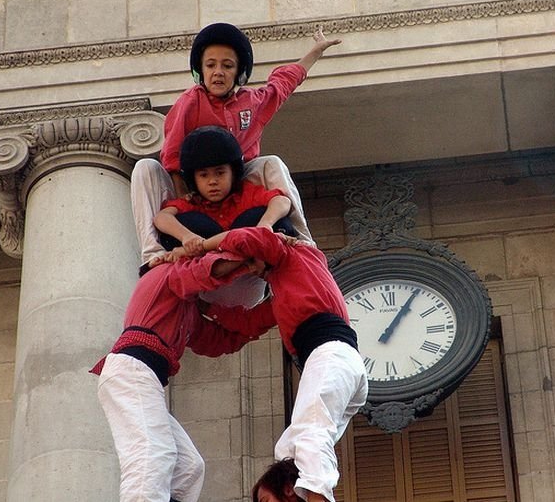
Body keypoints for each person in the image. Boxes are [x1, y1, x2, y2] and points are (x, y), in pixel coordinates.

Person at [132, 22, 341, 274]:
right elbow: (173, 156)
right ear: (200, 69)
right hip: (191, 191)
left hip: (239, 187)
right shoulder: (189, 102)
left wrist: (316, 51)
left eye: (227, 66)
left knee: (271, 163)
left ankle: (304, 243)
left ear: (239, 72)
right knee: (145, 168)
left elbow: (285, 81)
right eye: (210, 65)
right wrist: (185, 199)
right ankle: (152, 254)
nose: (218, 72)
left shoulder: (253, 103)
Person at [196, 227, 369, 502]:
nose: (251, 269)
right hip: (335, 360)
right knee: (290, 450)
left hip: (331, 353)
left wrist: (199, 245)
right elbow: (248, 322)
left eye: (252, 261)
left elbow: (254, 239)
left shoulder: (298, 256)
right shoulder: (283, 290)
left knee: (311, 434)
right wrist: (203, 308)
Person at [90, 250, 275, 502]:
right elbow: (203, 272)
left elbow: (221, 340)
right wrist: (246, 262)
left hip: (141, 375)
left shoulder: (186, 310)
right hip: (132, 369)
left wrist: (279, 310)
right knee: (152, 453)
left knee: (189, 467)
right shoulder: (163, 274)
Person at [153, 125, 293, 258]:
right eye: (204, 175)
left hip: (251, 261)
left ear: (233, 173)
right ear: (193, 179)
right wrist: (187, 236)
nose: (212, 181)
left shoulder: (246, 193)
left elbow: (282, 201)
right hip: (205, 266)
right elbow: (162, 218)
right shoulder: (193, 203)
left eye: (220, 173)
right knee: (189, 222)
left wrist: (265, 224)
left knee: (276, 221)